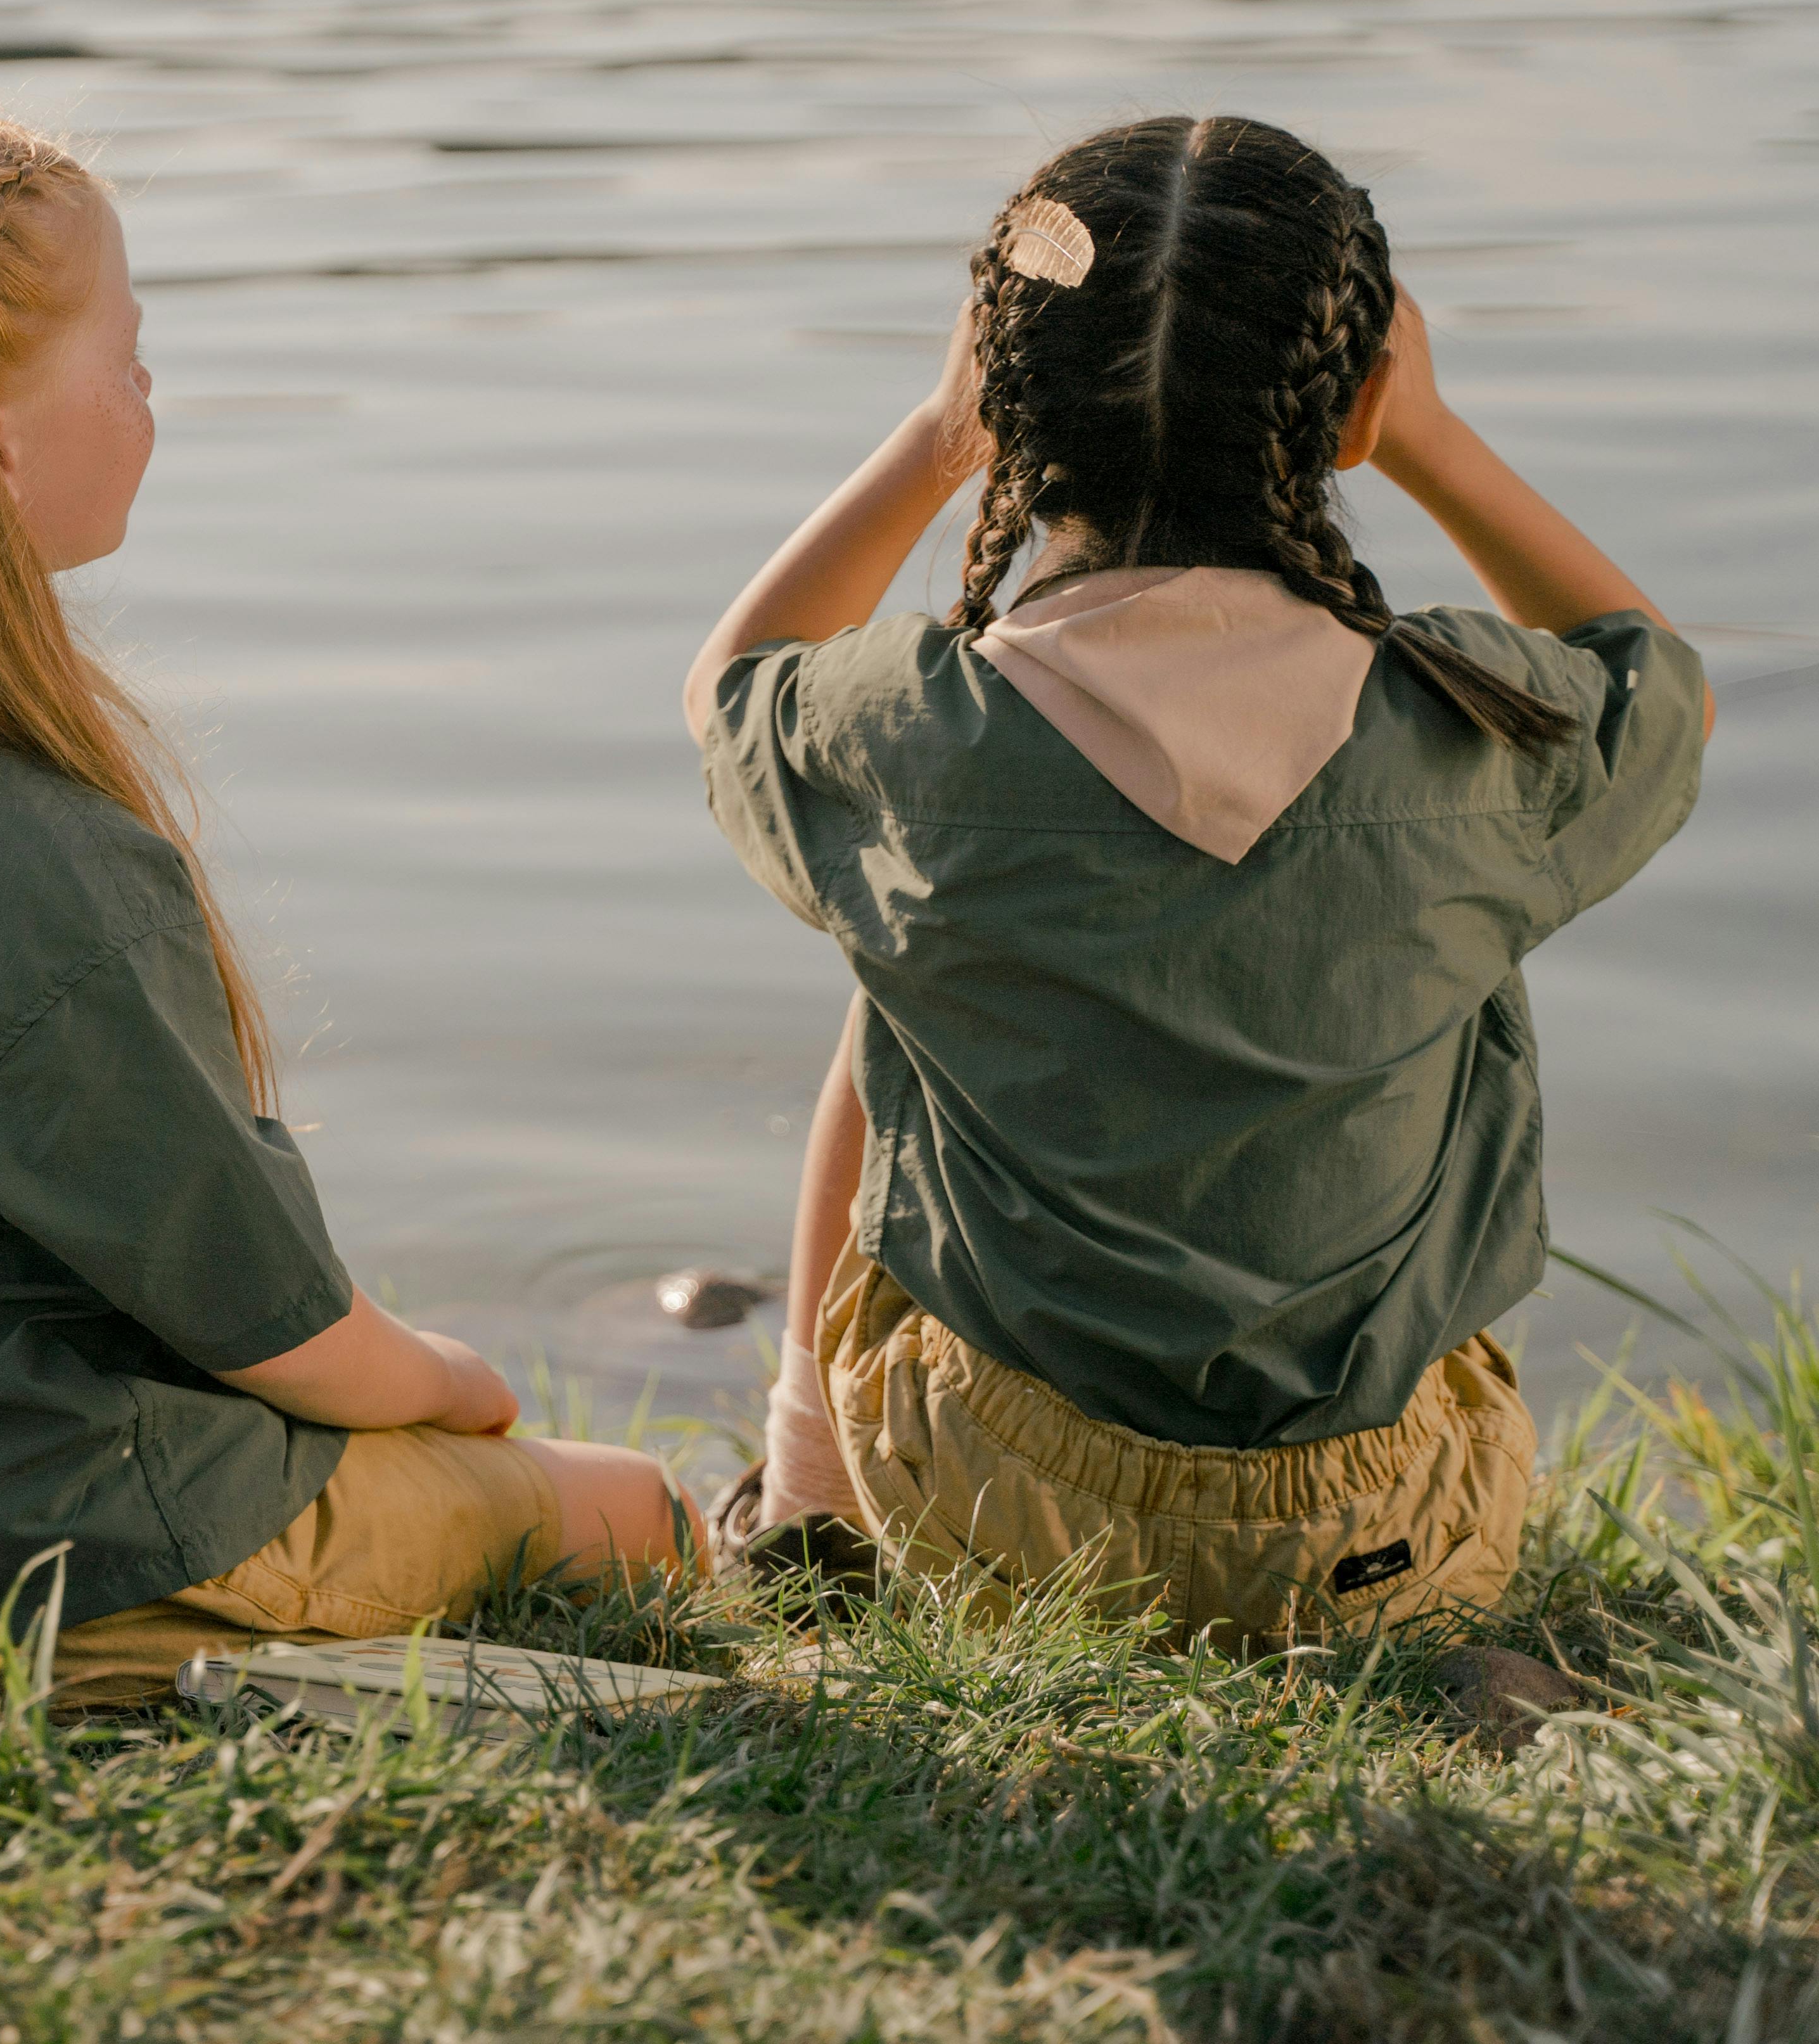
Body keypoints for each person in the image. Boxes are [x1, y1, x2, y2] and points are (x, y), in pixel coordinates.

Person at [0, 105, 691, 1696]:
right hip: (87, 1542)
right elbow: (272, 1321)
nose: (152, 395)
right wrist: (449, 1379)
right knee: (629, 1505)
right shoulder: (19, 850)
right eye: (130, 355)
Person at [690, 115, 1709, 1643]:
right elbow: (1660, 680)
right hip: (1390, 1537)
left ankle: (811, 1500)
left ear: (1008, 394)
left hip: (996, 1520)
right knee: (1455, 912)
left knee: (894, 959)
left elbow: (738, 681)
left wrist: (929, 434)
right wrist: (1427, 435)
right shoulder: (1481, 723)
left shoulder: (915, 736)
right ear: (1346, 399)